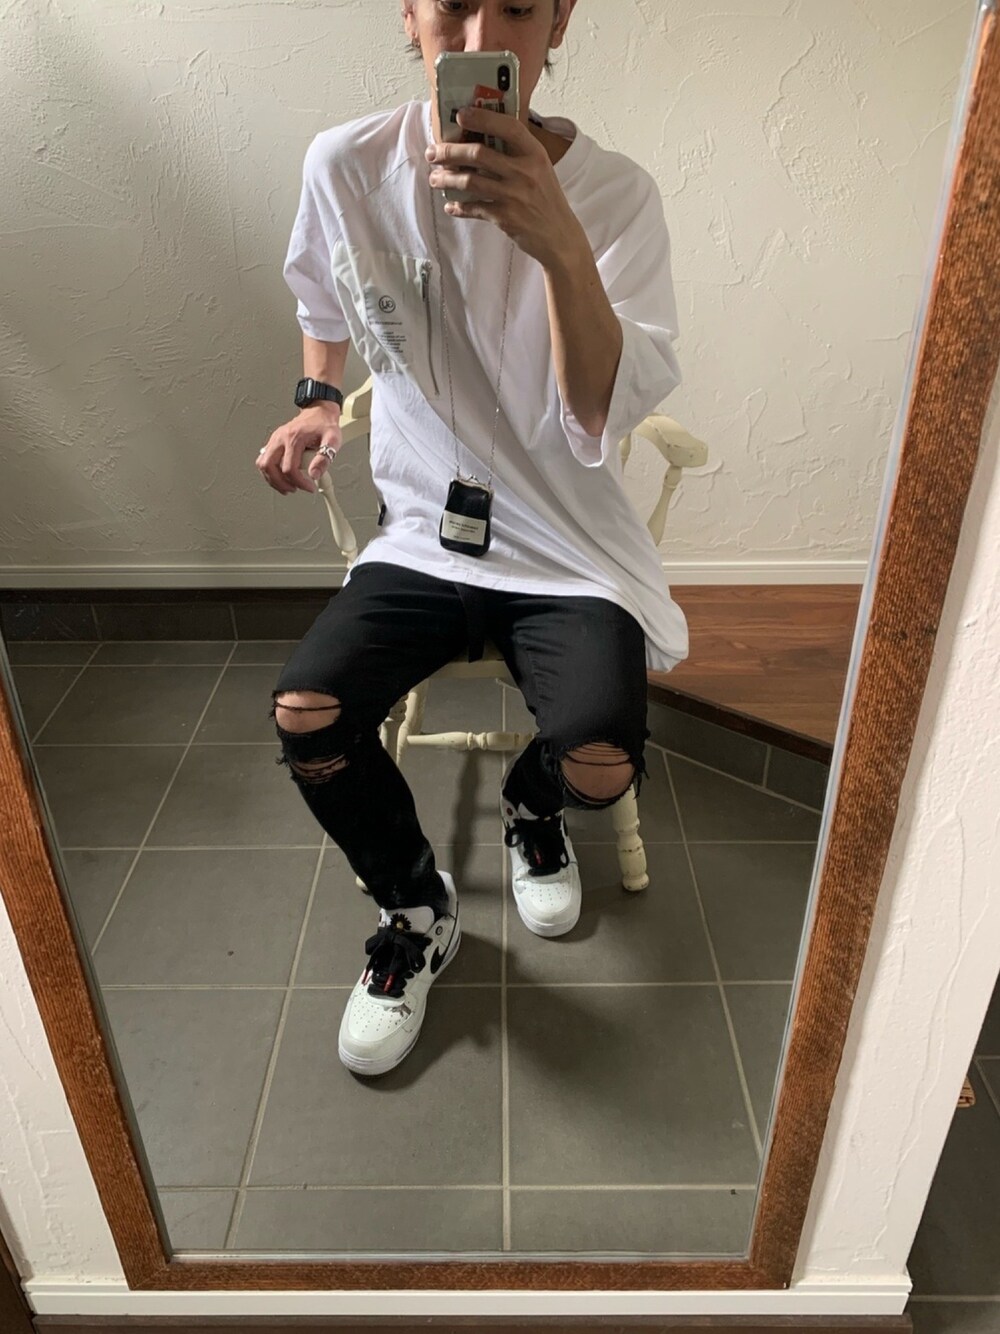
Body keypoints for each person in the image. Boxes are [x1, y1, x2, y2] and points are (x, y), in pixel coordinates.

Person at [256, 0, 687, 1078]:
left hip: (565, 537)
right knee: (308, 711)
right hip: (424, 528)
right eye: (450, 4)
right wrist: (317, 400)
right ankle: (415, 905)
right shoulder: (350, 164)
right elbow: (323, 294)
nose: (481, 34)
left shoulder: (617, 197)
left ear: (559, 22)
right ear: (408, 17)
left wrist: (559, 243)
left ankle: (532, 806)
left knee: (601, 764)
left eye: (520, 6)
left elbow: (598, 409)